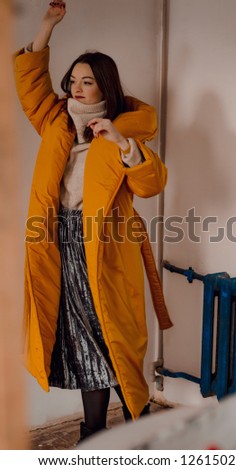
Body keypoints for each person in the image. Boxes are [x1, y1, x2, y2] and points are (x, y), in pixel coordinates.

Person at [14, 1, 173, 442]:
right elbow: (30, 85)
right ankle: (92, 435)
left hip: (104, 249)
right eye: (73, 80)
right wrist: (47, 25)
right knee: (82, 340)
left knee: (114, 338)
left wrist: (122, 142)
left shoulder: (125, 128)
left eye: (87, 81)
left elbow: (152, 184)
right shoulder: (56, 122)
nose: (77, 88)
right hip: (60, 245)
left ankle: (138, 429)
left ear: (105, 86)